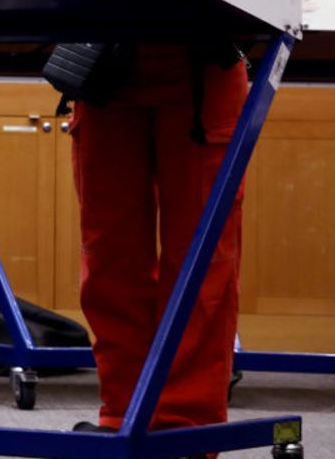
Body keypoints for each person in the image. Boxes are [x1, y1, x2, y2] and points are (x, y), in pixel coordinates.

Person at [67, 43, 247, 459]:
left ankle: (188, 428)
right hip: (102, 62)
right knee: (109, 257)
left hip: (202, 62)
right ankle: (123, 415)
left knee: (202, 265)